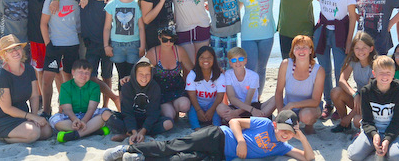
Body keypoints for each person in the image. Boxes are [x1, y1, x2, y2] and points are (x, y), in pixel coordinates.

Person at [103, 109, 315, 161]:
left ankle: (138, 157)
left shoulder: (283, 147)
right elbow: (234, 121)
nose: (285, 136)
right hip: (218, 136)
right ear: (277, 126)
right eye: (283, 131)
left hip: (222, 156)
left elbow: (308, 158)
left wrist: (301, 137)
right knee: (174, 145)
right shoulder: (266, 123)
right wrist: (241, 141)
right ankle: (127, 149)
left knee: (182, 159)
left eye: (290, 133)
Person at [313, 0, 357, 119]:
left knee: (340, 72)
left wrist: (349, 41)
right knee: (323, 70)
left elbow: (352, 17)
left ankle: (340, 106)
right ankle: (328, 103)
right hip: (322, 31)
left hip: (340, 32)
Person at [0, 34, 52, 143]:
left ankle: (25, 133)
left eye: (17, 47)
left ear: (21, 49)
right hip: (2, 119)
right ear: (4, 55)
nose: (15, 51)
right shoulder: (1, 76)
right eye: (10, 50)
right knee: (34, 133)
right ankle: (3, 137)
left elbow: (34, 96)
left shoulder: (29, 69)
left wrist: (34, 115)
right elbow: (7, 108)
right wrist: (32, 117)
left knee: (47, 131)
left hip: (22, 114)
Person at [347, 56, 399, 161]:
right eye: (381, 73)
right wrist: (374, 135)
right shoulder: (366, 91)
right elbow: (366, 120)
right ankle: (359, 138)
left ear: (393, 74)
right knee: (354, 156)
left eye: (388, 73)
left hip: (392, 131)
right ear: (374, 74)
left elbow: (398, 122)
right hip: (372, 131)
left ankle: (385, 145)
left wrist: (387, 139)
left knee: (396, 157)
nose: (385, 76)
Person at [40, 0, 82, 118]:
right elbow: (43, 24)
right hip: (54, 45)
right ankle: (46, 110)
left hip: (72, 44)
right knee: (47, 79)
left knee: (68, 78)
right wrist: (48, 44)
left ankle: (64, 109)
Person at [103, 58, 173, 143]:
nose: (144, 77)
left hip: (147, 120)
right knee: (105, 114)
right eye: (141, 74)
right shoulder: (127, 87)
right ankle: (132, 133)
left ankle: (132, 134)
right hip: (130, 119)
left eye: (147, 74)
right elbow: (127, 112)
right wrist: (134, 131)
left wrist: (143, 131)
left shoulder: (155, 87)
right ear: (134, 74)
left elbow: (153, 113)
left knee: (169, 123)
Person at [238, 0, 277, 97]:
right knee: (249, 68)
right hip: (248, 35)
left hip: (267, 34)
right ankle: (248, 96)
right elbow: (237, 6)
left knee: (261, 68)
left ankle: (257, 98)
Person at [80, 0, 119, 110]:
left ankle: (105, 105)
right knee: (90, 76)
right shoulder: (83, 1)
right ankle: (114, 97)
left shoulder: (108, 2)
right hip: (91, 45)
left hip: (108, 44)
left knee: (107, 75)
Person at [48, 59, 110, 142]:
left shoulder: (94, 87)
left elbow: (92, 108)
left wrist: (84, 121)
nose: (83, 75)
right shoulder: (65, 86)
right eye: (80, 72)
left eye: (87, 73)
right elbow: (67, 109)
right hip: (71, 117)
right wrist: (75, 120)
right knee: (54, 120)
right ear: (73, 72)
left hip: (89, 116)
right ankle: (93, 131)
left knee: (106, 114)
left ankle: (76, 134)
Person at [104, 0, 146, 91]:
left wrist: (142, 46)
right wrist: (106, 45)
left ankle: (133, 105)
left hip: (134, 44)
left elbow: (141, 27)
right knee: (121, 77)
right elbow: (107, 27)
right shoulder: (112, 5)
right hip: (116, 45)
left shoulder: (137, 4)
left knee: (132, 76)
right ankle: (122, 107)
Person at [275, 35, 325, 135]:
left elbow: (315, 101)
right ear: (293, 51)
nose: (301, 51)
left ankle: (309, 126)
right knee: (275, 112)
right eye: (297, 48)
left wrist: (293, 105)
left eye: (305, 47)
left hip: (309, 107)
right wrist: (281, 113)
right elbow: (279, 92)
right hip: (288, 106)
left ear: (311, 50)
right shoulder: (285, 64)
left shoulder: (318, 70)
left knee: (306, 116)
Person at [331, 31, 377, 133]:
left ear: (371, 48)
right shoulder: (354, 61)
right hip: (358, 99)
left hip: (371, 103)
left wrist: (350, 116)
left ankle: (347, 121)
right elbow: (342, 80)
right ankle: (345, 124)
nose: (360, 51)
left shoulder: (375, 65)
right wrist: (355, 94)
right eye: (357, 48)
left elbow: (368, 94)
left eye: (364, 47)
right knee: (336, 91)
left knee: (357, 121)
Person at [145, 27, 193, 121]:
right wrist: (130, 77)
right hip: (160, 91)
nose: (168, 43)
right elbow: (141, 70)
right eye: (165, 40)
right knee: (169, 115)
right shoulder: (153, 53)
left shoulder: (179, 51)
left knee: (185, 106)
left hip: (177, 89)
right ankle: (172, 112)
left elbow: (192, 69)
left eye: (171, 40)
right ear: (159, 38)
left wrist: (214, 71)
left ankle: (175, 110)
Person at [216, 47, 276, 122]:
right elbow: (232, 98)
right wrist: (236, 111)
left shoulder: (254, 76)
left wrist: (241, 112)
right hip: (237, 106)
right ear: (230, 63)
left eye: (240, 59)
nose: (238, 63)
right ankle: (253, 121)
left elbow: (248, 101)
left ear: (245, 61)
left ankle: (242, 122)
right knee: (220, 107)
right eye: (234, 60)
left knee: (276, 98)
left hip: (252, 105)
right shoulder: (228, 74)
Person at [27, 0, 59, 103]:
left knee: (57, 71)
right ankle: (43, 100)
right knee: (39, 71)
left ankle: (61, 101)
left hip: (53, 40)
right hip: (36, 40)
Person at [205, 0, 241, 71]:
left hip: (232, 32)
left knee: (232, 65)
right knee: (218, 65)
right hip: (216, 34)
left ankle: (231, 88)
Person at [185, 46, 225, 130]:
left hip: (213, 105)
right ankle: (197, 129)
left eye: (209, 57)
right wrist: (199, 110)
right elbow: (191, 95)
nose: (205, 60)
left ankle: (216, 128)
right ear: (197, 59)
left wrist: (211, 110)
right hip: (197, 105)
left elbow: (220, 96)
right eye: (202, 57)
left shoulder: (219, 75)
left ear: (214, 59)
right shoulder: (192, 74)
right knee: (192, 109)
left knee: (217, 108)